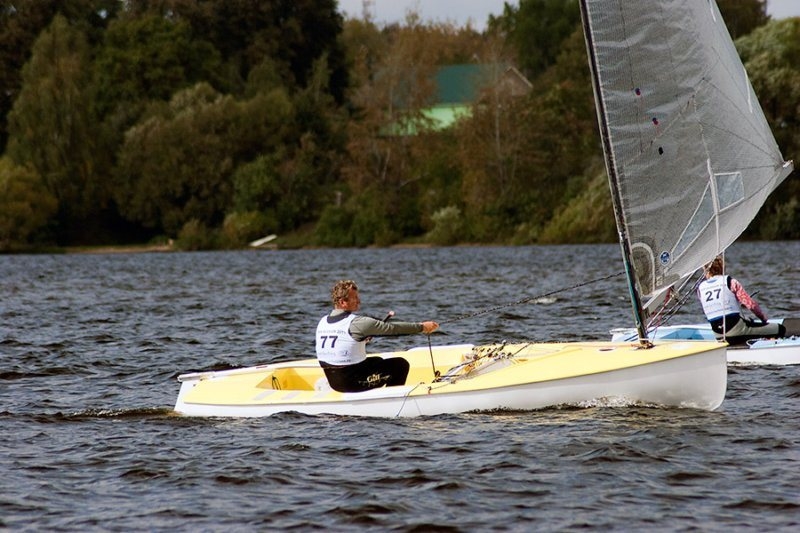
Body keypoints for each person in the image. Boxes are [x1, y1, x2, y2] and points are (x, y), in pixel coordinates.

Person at [315, 279, 439, 392]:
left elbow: (341, 343)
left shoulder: (323, 321)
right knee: (400, 365)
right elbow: (392, 328)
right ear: (343, 302)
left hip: (335, 382)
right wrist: (422, 327)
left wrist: (360, 340)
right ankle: (392, 401)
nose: (359, 301)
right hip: (351, 383)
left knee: (376, 361)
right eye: (355, 298)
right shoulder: (358, 323)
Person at [697, 256, 786, 345]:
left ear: (706, 270)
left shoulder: (700, 288)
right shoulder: (730, 282)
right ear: (723, 267)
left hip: (718, 335)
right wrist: (763, 319)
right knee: (780, 329)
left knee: (745, 322)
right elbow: (751, 305)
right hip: (736, 331)